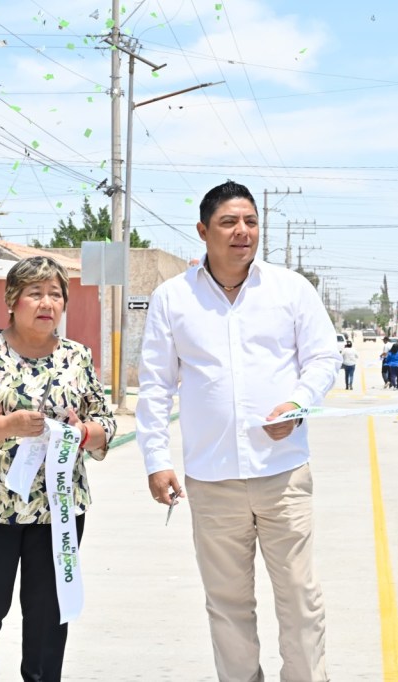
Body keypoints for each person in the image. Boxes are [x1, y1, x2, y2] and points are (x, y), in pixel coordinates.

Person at [136, 181, 341, 682]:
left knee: (300, 598)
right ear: (203, 231)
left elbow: (323, 357)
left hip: (283, 475)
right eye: (228, 222)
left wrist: (298, 403)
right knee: (227, 606)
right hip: (212, 480)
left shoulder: (290, 289)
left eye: (250, 221)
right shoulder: (173, 298)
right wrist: (156, 460)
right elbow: (156, 385)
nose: (242, 231)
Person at [0, 255, 115, 682]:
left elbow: (106, 423)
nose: (47, 303)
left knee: (48, 615)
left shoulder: (77, 357)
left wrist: (83, 433)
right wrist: (7, 426)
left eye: (55, 294)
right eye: (35, 293)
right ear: (12, 300)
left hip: (58, 513)